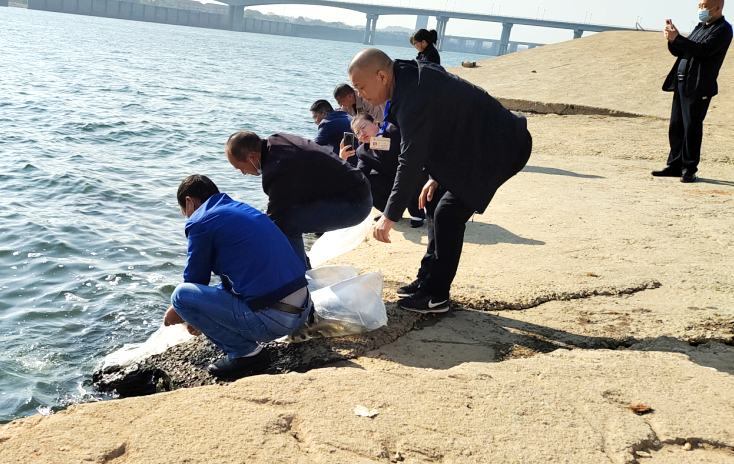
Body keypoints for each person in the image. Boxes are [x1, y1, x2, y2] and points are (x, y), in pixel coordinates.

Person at [348, 49, 532, 314]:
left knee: (448, 214)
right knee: (434, 203)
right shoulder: (408, 75)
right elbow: (444, 126)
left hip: (502, 146)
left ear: (382, 76)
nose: (360, 95)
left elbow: (409, 162)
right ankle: (426, 280)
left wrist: (389, 216)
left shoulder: (412, 98)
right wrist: (436, 177)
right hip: (471, 145)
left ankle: (436, 295)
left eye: (361, 87)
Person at [164, 175, 312, 380]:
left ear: (189, 203)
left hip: (276, 321)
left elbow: (195, 281)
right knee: (211, 293)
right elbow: (235, 280)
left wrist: (177, 310)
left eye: (184, 213)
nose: (187, 218)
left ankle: (245, 354)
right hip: (304, 308)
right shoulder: (241, 209)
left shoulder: (200, 220)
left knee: (180, 296)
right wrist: (203, 313)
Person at [225, 131, 372, 268]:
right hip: (355, 187)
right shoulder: (277, 140)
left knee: (286, 225)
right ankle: (301, 267)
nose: (243, 173)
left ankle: (300, 274)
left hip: (355, 204)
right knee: (285, 218)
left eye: (240, 168)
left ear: (252, 157)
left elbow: (275, 223)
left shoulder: (276, 170)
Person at [653, 0, 732, 183]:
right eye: (699, 5)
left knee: (692, 128)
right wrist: (673, 40)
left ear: (717, 7)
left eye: (704, 6)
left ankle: (689, 169)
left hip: (699, 85)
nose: (700, 9)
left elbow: (703, 51)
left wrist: (678, 39)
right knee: (676, 126)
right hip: (682, 83)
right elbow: (684, 50)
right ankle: (674, 165)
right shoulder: (700, 27)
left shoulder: (723, 29)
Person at [339, 113, 426, 228]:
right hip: (391, 179)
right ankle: (390, 211)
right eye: (357, 133)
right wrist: (342, 160)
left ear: (375, 123)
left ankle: (417, 213)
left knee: (409, 174)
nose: (362, 133)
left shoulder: (393, 131)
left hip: (412, 173)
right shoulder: (363, 151)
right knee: (366, 182)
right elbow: (359, 176)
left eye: (363, 127)